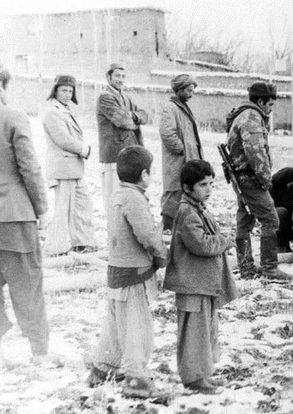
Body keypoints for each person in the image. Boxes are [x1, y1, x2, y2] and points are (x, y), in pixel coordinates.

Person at [87, 146, 167, 398]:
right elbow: (146, 235)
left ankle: (102, 368)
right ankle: (136, 379)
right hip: (133, 274)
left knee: (115, 323)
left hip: (117, 271)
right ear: (144, 175)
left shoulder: (117, 194)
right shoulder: (134, 198)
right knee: (137, 328)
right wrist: (161, 255)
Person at [163, 160, 239, 394]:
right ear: (187, 188)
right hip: (191, 284)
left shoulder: (197, 208)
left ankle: (203, 373)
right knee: (193, 333)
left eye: (211, 184)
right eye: (202, 185)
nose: (208, 189)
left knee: (206, 330)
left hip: (202, 284)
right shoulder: (188, 213)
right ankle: (193, 377)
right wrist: (225, 241)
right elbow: (201, 245)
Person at [0, 66, 51, 367]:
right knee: (27, 284)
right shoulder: (13, 116)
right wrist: (41, 209)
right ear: (2, 85)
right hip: (14, 216)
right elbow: (29, 167)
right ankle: (39, 352)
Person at [225, 82, 293, 280]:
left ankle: (246, 267)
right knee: (271, 220)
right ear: (261, 101)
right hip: (251, 180)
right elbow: (255, 152)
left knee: (245, 222)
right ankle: (270, 268)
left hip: (242, 179)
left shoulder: (243, 114)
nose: (271, 109)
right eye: (270, 105)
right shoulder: (252, 118)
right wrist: (266, 179)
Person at [41, 75, 96, 256]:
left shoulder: (65, 109)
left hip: (73, 167)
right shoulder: (52, 111)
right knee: (63, 209)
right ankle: (56, 248)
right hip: (63, 168)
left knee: (83, 204)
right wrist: (85, 150)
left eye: (70, 91)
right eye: (64, 90)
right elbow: (63, 140)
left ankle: (82, 243)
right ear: (55, 90)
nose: (67, 94)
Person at [97, 63, 149, 215]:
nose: (121, 80)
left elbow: (145, 116)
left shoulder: (126, 97)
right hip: (114, 156)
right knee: (114, 200)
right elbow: (122, 121)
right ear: (108, 77)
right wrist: (133, 119)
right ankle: (112, 236)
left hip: (130, 155)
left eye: (123, 76)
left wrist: (132, 116)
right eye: (117, 76)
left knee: (128, 199)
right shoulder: (105, 97)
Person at [159, 74, 203, 231]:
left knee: (185, 198)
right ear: (180, 90)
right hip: (176, 164)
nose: (191, 94)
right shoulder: (170, 108)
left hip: (187, 163)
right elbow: (167, 133)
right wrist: (182, 150)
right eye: (189, 90)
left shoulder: (182, 107)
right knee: (172, 198)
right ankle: (167, 232)